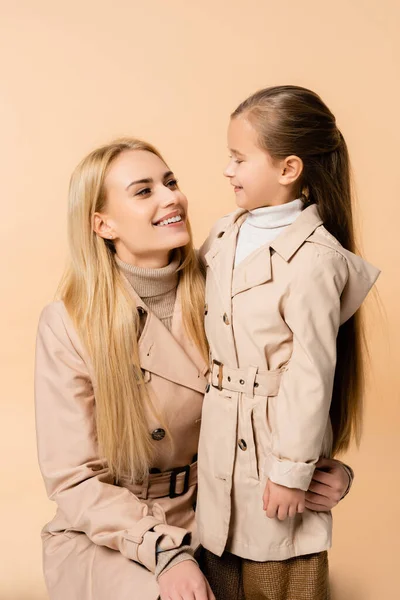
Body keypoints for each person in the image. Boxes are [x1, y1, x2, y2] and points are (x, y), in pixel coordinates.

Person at [35, 137, 355, 600]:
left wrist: (325, 472)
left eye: (171, 182)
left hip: (218, 510)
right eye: (144, 191)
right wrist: (165, 554)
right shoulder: (68, 324)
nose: (172, 198)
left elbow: (292, 384)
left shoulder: (223, 290)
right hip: (112, 532)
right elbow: (75, 480)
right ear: (102, 224)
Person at [196, 86, 380, 600]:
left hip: (274, 447)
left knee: (279, 574)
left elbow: (311, 371)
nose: (227, 171)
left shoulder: (316, 260)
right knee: (219, 567)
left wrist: (292, 472)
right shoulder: (222, 235)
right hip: (219, 443)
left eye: (238, 158)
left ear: (288, 168)